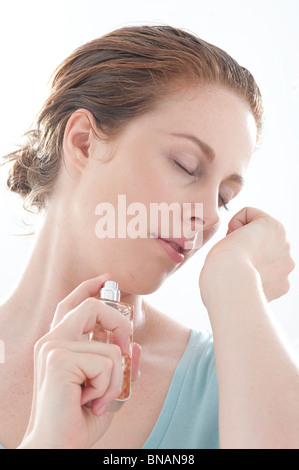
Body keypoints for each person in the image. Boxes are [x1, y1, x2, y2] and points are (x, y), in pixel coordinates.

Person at [0, 24, 297, 449]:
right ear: (83, 142)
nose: (211, 215)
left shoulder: (240, 383)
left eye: (226, 197)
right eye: (186, 165)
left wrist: (235, 283)